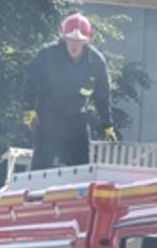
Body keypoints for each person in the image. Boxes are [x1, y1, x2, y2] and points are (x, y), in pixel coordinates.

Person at [20, 12, 116, 169]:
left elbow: (103, 96)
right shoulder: (47, 55)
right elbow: (30, 80)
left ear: (88, 41)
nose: (74, 45)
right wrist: (28, 108)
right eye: (70, 39)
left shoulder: (97, 63)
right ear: (63, 38)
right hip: (48, 117)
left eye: (79, 41)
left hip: (77, 119)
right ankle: (36, 193)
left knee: (81, 166)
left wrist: (108, 124)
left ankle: (78, 192)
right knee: (42, 165)